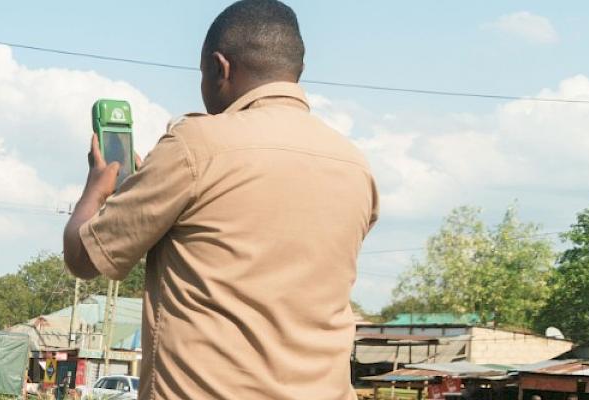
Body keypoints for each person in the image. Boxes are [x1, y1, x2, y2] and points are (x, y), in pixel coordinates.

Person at [61, 0, 377, 399]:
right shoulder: (354, 164)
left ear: (218, 68)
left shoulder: (197, 146)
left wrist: (96, 189)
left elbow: (83, 257)